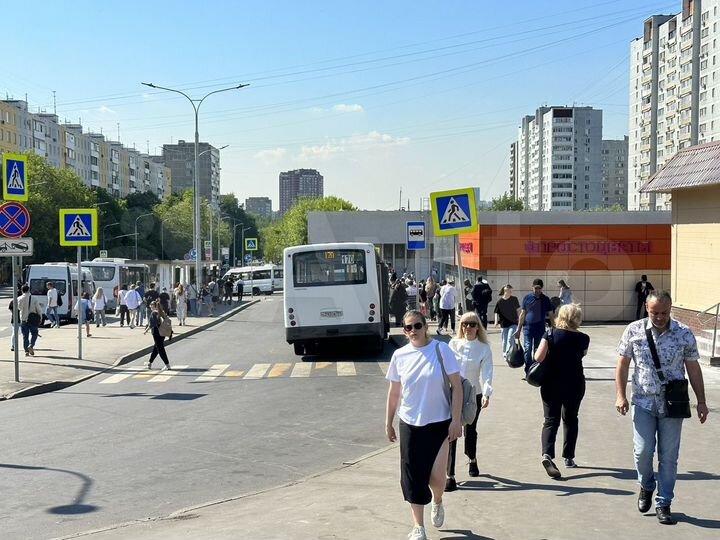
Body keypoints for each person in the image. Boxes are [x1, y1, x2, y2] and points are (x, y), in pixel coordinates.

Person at [615, 290, 708, 526]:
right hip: (643, 401)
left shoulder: (683, 333)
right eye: (655, 312)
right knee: (643, 451)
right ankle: (646, 485)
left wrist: (702, 401)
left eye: (664, 312)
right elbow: (623, 363)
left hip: (672, 405)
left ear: (671, 309)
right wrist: (620, 395)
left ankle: (664, 503)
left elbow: (693, 369)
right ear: (647, 308)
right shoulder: (634, 331)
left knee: (669, 457)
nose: (660, 317)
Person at [385, 310, 462, 540]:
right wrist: (388, 422)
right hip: (409, 422)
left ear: (425, 327)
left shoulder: (441, 350)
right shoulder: (400, 355)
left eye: (417, 326)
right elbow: (394, 392)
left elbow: (457, 387)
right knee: (412, 476)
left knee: (437, 478)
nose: (413, 332)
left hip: (439, 423)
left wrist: (456, 421)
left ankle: (437, 500)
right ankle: (418, 526)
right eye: (408, 328)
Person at [533, 303, 590, 479]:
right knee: (571, 419)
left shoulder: (550, 334)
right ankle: (569, 457)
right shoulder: (584, 338)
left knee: (551, 420)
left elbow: (538, 357)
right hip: (575, 382)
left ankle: (547, 454)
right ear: (577, 318)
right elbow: (582, 354)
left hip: (551, 383)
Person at [445, 311, 493, 492]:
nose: (468, 328)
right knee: (452, 430)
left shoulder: (483, 348)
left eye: (472, 324)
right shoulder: (453, 344)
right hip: (453, 393)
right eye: (464, 324)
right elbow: (444, 367)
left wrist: (487, 393)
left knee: (470, 428)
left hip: (474, 394)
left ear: (478, 327)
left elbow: (488, 372)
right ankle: (450, 475)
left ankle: (472, 458)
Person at [515, 279, 555, 372]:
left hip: (540, 330)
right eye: (535, 288)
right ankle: (528, 370)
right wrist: (518, 329)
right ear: (532, 287)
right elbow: (522, 314)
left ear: (542, 288)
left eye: (539, 288)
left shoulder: (546, 300)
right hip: (527, 329)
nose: (537, 290)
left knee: (537, 351)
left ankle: (534, 370)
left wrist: (554, 328)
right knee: (527, 349)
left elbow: (551, 315)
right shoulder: (527, 298)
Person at [494, 285, 520, 360]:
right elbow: (496, 312)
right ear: (505, 291)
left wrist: (520, 320)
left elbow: (518, 310)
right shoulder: (500, 301)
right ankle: (505, 353)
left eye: (511, 291)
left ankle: (509, 353)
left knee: (510, 338)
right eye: (509, 291)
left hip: (513, 323)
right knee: (504, 341)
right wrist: (496, 321)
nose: (510, 292)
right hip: (504, 324)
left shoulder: (514, 299)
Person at [145, 300, 171, 371]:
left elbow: (152, 324)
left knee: (160, 348)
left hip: (156, 332)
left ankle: (167, 364)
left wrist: (147, 330)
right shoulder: (161, 312)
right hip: (163, 332)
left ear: (154, 306)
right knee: (156, 347)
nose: (150, 307)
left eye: (151, 306)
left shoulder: (153, 313)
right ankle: (150, 363)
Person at [19, 284, 43, 356]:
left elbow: (19, 308)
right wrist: (40, 317)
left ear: (22, 290)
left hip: (23, 319)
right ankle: (31, 345)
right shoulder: (34, 298)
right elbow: (39, 309)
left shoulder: (19, 299)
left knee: (25, 335)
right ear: (29, 290)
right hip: (32, 319)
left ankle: (26, 350)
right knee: (35, 333)